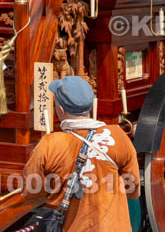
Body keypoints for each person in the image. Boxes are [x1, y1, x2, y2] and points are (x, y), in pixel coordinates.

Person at [22, 75, 140, 228]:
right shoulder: (118, 135)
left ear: (61, 109)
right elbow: (134, 189)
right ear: (90, 107)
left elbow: (31, 192)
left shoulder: (49, 144)